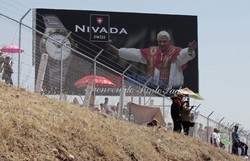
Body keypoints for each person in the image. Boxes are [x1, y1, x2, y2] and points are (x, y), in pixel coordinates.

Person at [106, 30, 197, 88]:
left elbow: (183, 55)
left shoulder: (175, 52)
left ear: (169, 41)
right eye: (160, 41)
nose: (162, 44)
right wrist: (118, 51)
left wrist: (189, 50)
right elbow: (137, 54)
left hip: (174, 89)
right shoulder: (152, 52)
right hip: (155, 89)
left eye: (164, 41)